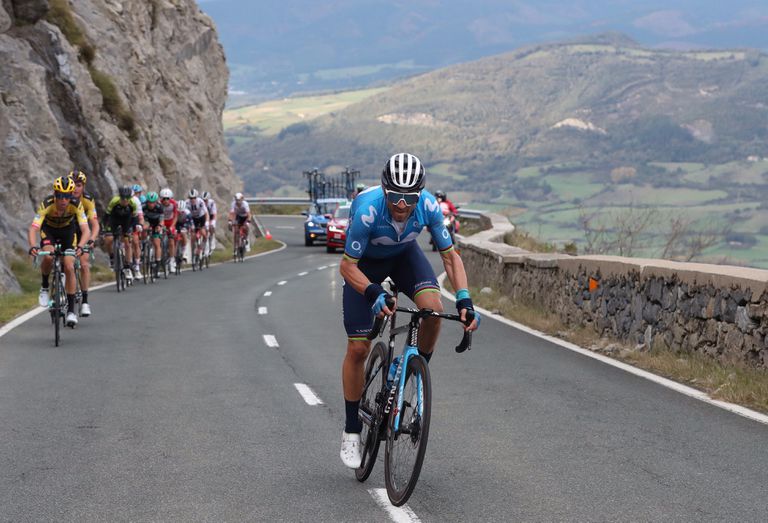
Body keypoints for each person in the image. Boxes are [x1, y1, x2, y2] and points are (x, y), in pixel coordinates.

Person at [338, 153, 480, 468]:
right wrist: (373, 291)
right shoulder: (367, 210)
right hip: (364, 267)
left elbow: (450, 256)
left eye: (410, 198)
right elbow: (346, 266)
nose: (402, 205)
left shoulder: (429, 206)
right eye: (395, 196)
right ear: (384, 190)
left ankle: (412, 371)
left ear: (420, 194)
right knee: (358, 348)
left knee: (433, 309)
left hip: (404, 257)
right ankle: (351, 429)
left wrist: (465, 300)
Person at [27, 176, 90, 327]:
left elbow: (85, 230)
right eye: (60, 196)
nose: (63, 200)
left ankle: (71, 311)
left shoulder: (76, 205)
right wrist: (33, 246)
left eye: (67, 196)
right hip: (49, 231)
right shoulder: (47, 204)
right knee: (48, 256)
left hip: (68, 232)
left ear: (71, 195)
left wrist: (80, 246)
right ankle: (44, 286)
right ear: (55, 194)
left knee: (69, 266)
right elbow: (33, 228)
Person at [69, 170, 99, 317]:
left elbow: (94, 223)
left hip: (82, 230)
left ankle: (85, 302)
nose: (75, 188)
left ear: (83, 187)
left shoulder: (87, 200)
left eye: (79, 185)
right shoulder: (63, 197)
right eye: (73, 184)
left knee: (84, 263)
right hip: (67, 230)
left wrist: (92, 238)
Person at [104, 186, 140, 282]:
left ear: (130, 198)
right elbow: (106, 216)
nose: (125, 200)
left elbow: (135, 218)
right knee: (108, 240)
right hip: (114, 220)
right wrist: (104, 227)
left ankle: (127, 267)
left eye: (127, 198)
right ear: (120, 197)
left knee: (127, 243)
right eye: (123, 198)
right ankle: (112, 258)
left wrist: (135, 227)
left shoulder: (133, 203)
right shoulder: (114, 201)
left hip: (126, 221)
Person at [141, 192, 165, 272]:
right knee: (144, 229)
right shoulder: (143, 206)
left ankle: (158, 262)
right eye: (149, 202)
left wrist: (160, 226)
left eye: (153, 202)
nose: (151, 204)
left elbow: (162, 220)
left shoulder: (159, 207)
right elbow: (140, 218)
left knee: (156, 242)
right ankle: (143, 245)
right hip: (147, 221)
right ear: (147, 201)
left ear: (156, 202)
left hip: (156, 223)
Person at [187, 189, 210, 261]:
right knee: (193, 236)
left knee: (204, 234)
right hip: (193, 218)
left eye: (194, 198)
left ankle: (203, 248)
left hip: (201, 217)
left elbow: (206, 213)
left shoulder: (200, 202)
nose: (192, 199)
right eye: (191, 198)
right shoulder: (187, 203)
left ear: (196, 197)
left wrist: (207, 222)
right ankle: (193, 252)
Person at [159, 188, 179, 272]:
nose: (165, 201)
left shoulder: (174, 204)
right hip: (162, 222)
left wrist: (172, 226)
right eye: (164, 199)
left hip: (171, 222)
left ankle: (171, 260)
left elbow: (176, 216)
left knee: (171, 241)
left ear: (170, 198)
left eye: (167, 199)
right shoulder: (159, 204)